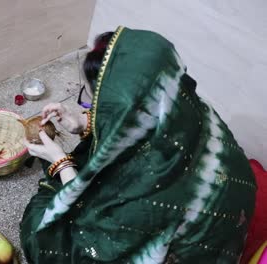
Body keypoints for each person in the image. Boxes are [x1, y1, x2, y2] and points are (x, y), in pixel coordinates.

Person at [20, 26, 256, 263]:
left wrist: (61, 163)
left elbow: (95, 224)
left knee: (40, 228)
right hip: (223, 203)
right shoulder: (182, 101)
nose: (94, 109)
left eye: (98, 104)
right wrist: (84, 123)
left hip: (185, 241)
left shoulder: (146, 188)